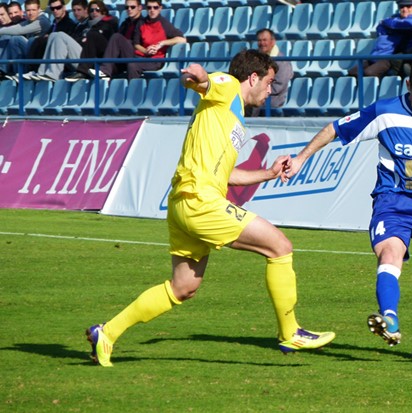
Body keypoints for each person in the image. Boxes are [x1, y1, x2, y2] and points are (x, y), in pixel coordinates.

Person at [85, 49, 335, 367]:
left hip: (184, 203)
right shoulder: (229, 86)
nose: (271, 90)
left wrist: (269, 173)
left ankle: (107, 333)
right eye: (270, 82)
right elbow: (205, 82)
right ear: (253, 77)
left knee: (183, 287)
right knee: (280, 247)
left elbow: (228, 174)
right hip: (200, 200)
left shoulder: (229, 114)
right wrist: (199, 77)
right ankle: (290, 332)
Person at [284, 56, 412, 361]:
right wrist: (303, 158)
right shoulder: (385, 111)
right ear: (408, 85)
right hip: (392, 203)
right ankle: (389, 317)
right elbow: (335, 128)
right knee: (391, 254)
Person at [86, 0, 185, 80]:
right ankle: (105, 72)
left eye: (155, 7)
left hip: (156, 60)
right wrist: (146, 51)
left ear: (160, 8)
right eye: (149, 7)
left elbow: (182, 39)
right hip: (141, 56)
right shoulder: (141, 23)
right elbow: (136, 44)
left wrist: (161, 44)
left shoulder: (164, 24)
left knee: (132, 65)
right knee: (117, 38)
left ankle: (132, 95)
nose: (152, 10)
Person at [31, 0, 115, 81]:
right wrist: (82, 39)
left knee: (60, 35)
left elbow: (101, 44)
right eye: (92, 10)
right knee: (53, 35)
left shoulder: (108, 24)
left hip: (91, 63)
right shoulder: (82, 25)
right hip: (80, 57)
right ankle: (41, 72)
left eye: (97, 10)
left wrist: (83, 39)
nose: (94, 12)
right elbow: (80, 40)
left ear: (103, 11)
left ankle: (53, 74)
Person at [65, 0, 145, 81]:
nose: (129, 9)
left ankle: (99, 71)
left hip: (133, 55)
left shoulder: (142, 23)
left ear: (140, 8)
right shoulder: (125, 23)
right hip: (116, 57)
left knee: (111, 36)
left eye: (132, 7)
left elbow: (141, 43)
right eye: (127, 7)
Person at [348, 0, 412, 78]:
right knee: (352, 72)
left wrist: (388, 24)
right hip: (377, 55)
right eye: (401, 7)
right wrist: (389, 25)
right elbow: (380, 28)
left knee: (369, 73)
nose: (404, 9)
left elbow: (405, 24)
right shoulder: (395, 17)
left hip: (390, 56)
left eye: (408, 7)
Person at [247, 28, 293, 116]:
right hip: (257, 96)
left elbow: (278, 86)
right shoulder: (255, 58)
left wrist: (257, 91)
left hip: (273, 99)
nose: (262, 43)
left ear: (273, 42)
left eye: (264, 40)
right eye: (259, 40)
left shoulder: (282, 62)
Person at [22, 0, 77, 76]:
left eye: (58, 7)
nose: (55, 10)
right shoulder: (54, 24)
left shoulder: (69, 24)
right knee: (36, 40)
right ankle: (31, 70)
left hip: (62, 61)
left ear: (64, 8)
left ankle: (34, 70)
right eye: (52, 8)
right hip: (50, 58)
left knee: (38, 40)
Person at [0, 0, 50, 79]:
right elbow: (17, 27)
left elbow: (19, 30)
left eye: (33, 10)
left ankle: (2, 70)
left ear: (39, 9)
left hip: (39, 58)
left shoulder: (42, 21)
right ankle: (16, 73)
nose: (30, 13)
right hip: (31, 54)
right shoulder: (29, 20)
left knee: (16, 39)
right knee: (9, 38)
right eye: (28, 10)